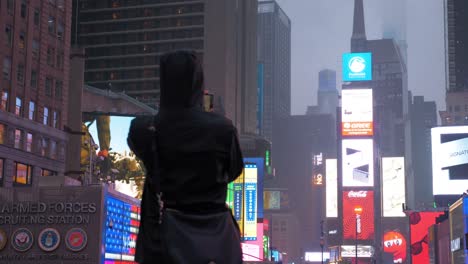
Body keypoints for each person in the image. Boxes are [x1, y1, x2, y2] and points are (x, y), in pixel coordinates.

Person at [127, 50, 244, 263]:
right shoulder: (223, 129)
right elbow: (234, 170)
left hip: (164, 239)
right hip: (217, 238)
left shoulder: (143, 129)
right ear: (198, 83)